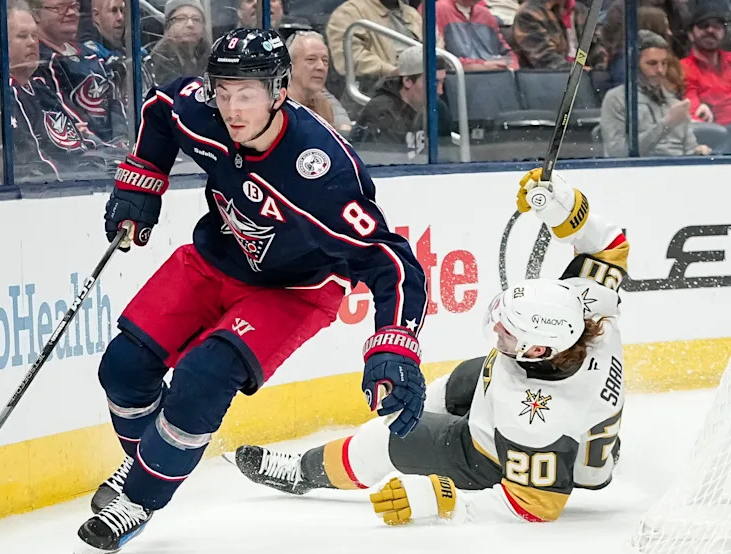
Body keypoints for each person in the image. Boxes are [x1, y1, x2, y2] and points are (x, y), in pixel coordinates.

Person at [72, 28, 429, 554]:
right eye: (223, 91)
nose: (232, 108)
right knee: (122, 369)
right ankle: (145, 456)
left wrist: (396, 341)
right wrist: (140, 182)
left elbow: (390, 258)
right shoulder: (204, 111)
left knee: (204, 376)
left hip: (294, 290)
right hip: (215, 260)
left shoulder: (320, 172)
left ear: (280, 90)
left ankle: (140, 500)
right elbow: (162, 106)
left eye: (247, 94)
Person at [232, 168, 629, 526]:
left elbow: (534, 505)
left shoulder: (535, 421)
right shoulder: (590, 303)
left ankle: (303, 472)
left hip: (495, 456)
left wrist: (442, 499)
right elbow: (609, 243)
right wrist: (562, 205)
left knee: (388, 440)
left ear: (539, 351)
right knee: (458, 382)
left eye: (510, 335)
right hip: (575, 436)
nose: (498, 332)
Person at [0, 2, 99, 181]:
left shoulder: (39, 89)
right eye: (22, 36)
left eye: (34, 36)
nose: (32, 43)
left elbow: (78, 144)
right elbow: (29, 169)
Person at [32, 0, 128, 146]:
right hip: (87, 159)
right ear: (36, 13)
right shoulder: (37, 63)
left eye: (74, 6)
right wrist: (109, 150)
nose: (72, 12)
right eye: (61, 7)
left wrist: (123, 138)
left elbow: (114, 99)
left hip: (115, 149)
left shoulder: (90, 53)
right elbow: (65, 118)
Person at [601, 30, 710, 157]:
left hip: (678, 170)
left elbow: (690, 148)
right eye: (652, 63)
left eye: (664, 63)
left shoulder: (673, 101)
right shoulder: (616, 99)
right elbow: (618, 153)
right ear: (634, 65)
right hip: (638, 172)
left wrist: (698, 151)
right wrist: (666, 124)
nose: (660, 70)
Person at [351, 46, 451, 158]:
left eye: (443, 83)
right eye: (434, 82)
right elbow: (382, 165)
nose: (440, 91)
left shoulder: (439, 109)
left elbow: (446, 158)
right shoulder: (380, 112)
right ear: (407, 81)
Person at [286, 30, 349, 133]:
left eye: (325, 61)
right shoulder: (278, 107)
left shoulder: (323, 104)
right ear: (290, 66)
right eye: (311, 59)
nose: (321, 67)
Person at [680, 0, 731, 126]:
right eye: (703, 25)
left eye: (717, 26)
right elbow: (695, 114)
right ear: (691, 34)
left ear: (724, 33)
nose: (710, 30)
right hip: (714, 136)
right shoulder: (683, 68)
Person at [433, 0, 516, 71]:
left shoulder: (486, 14)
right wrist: (478, 66)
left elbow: (507, 51)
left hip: (494, 75)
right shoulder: (437, 9)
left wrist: (512, 63)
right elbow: (440, 57)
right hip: (457, 78)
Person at [148, 0, 211, 85]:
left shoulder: (209, 54)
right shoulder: (159, 57)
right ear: (169, 26)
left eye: (196, 19)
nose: (190, 24)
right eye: (181, 18)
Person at [512, 0, 577, 69]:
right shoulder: (528, 13)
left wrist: (581, 66)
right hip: (550, 76)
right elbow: (544, 58)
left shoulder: (580, 10)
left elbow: (585, 50)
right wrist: (579, 71)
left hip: (581, 72)